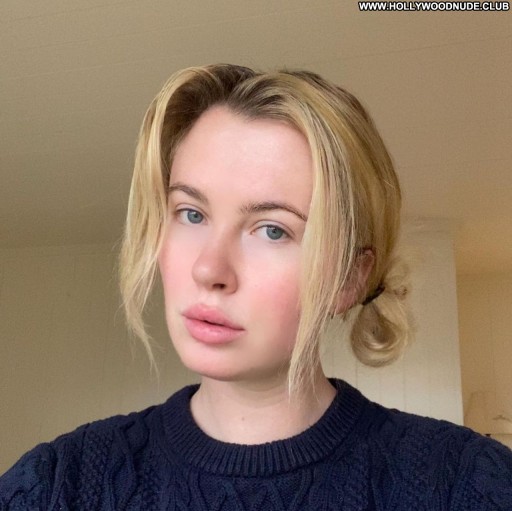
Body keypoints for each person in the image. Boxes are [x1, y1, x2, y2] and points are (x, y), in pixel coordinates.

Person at [1, 63, 511, 510]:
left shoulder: (467, 484)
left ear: (349, 278)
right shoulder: (56, 484)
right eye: (191, 213)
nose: (209, 269)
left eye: (272, 230)